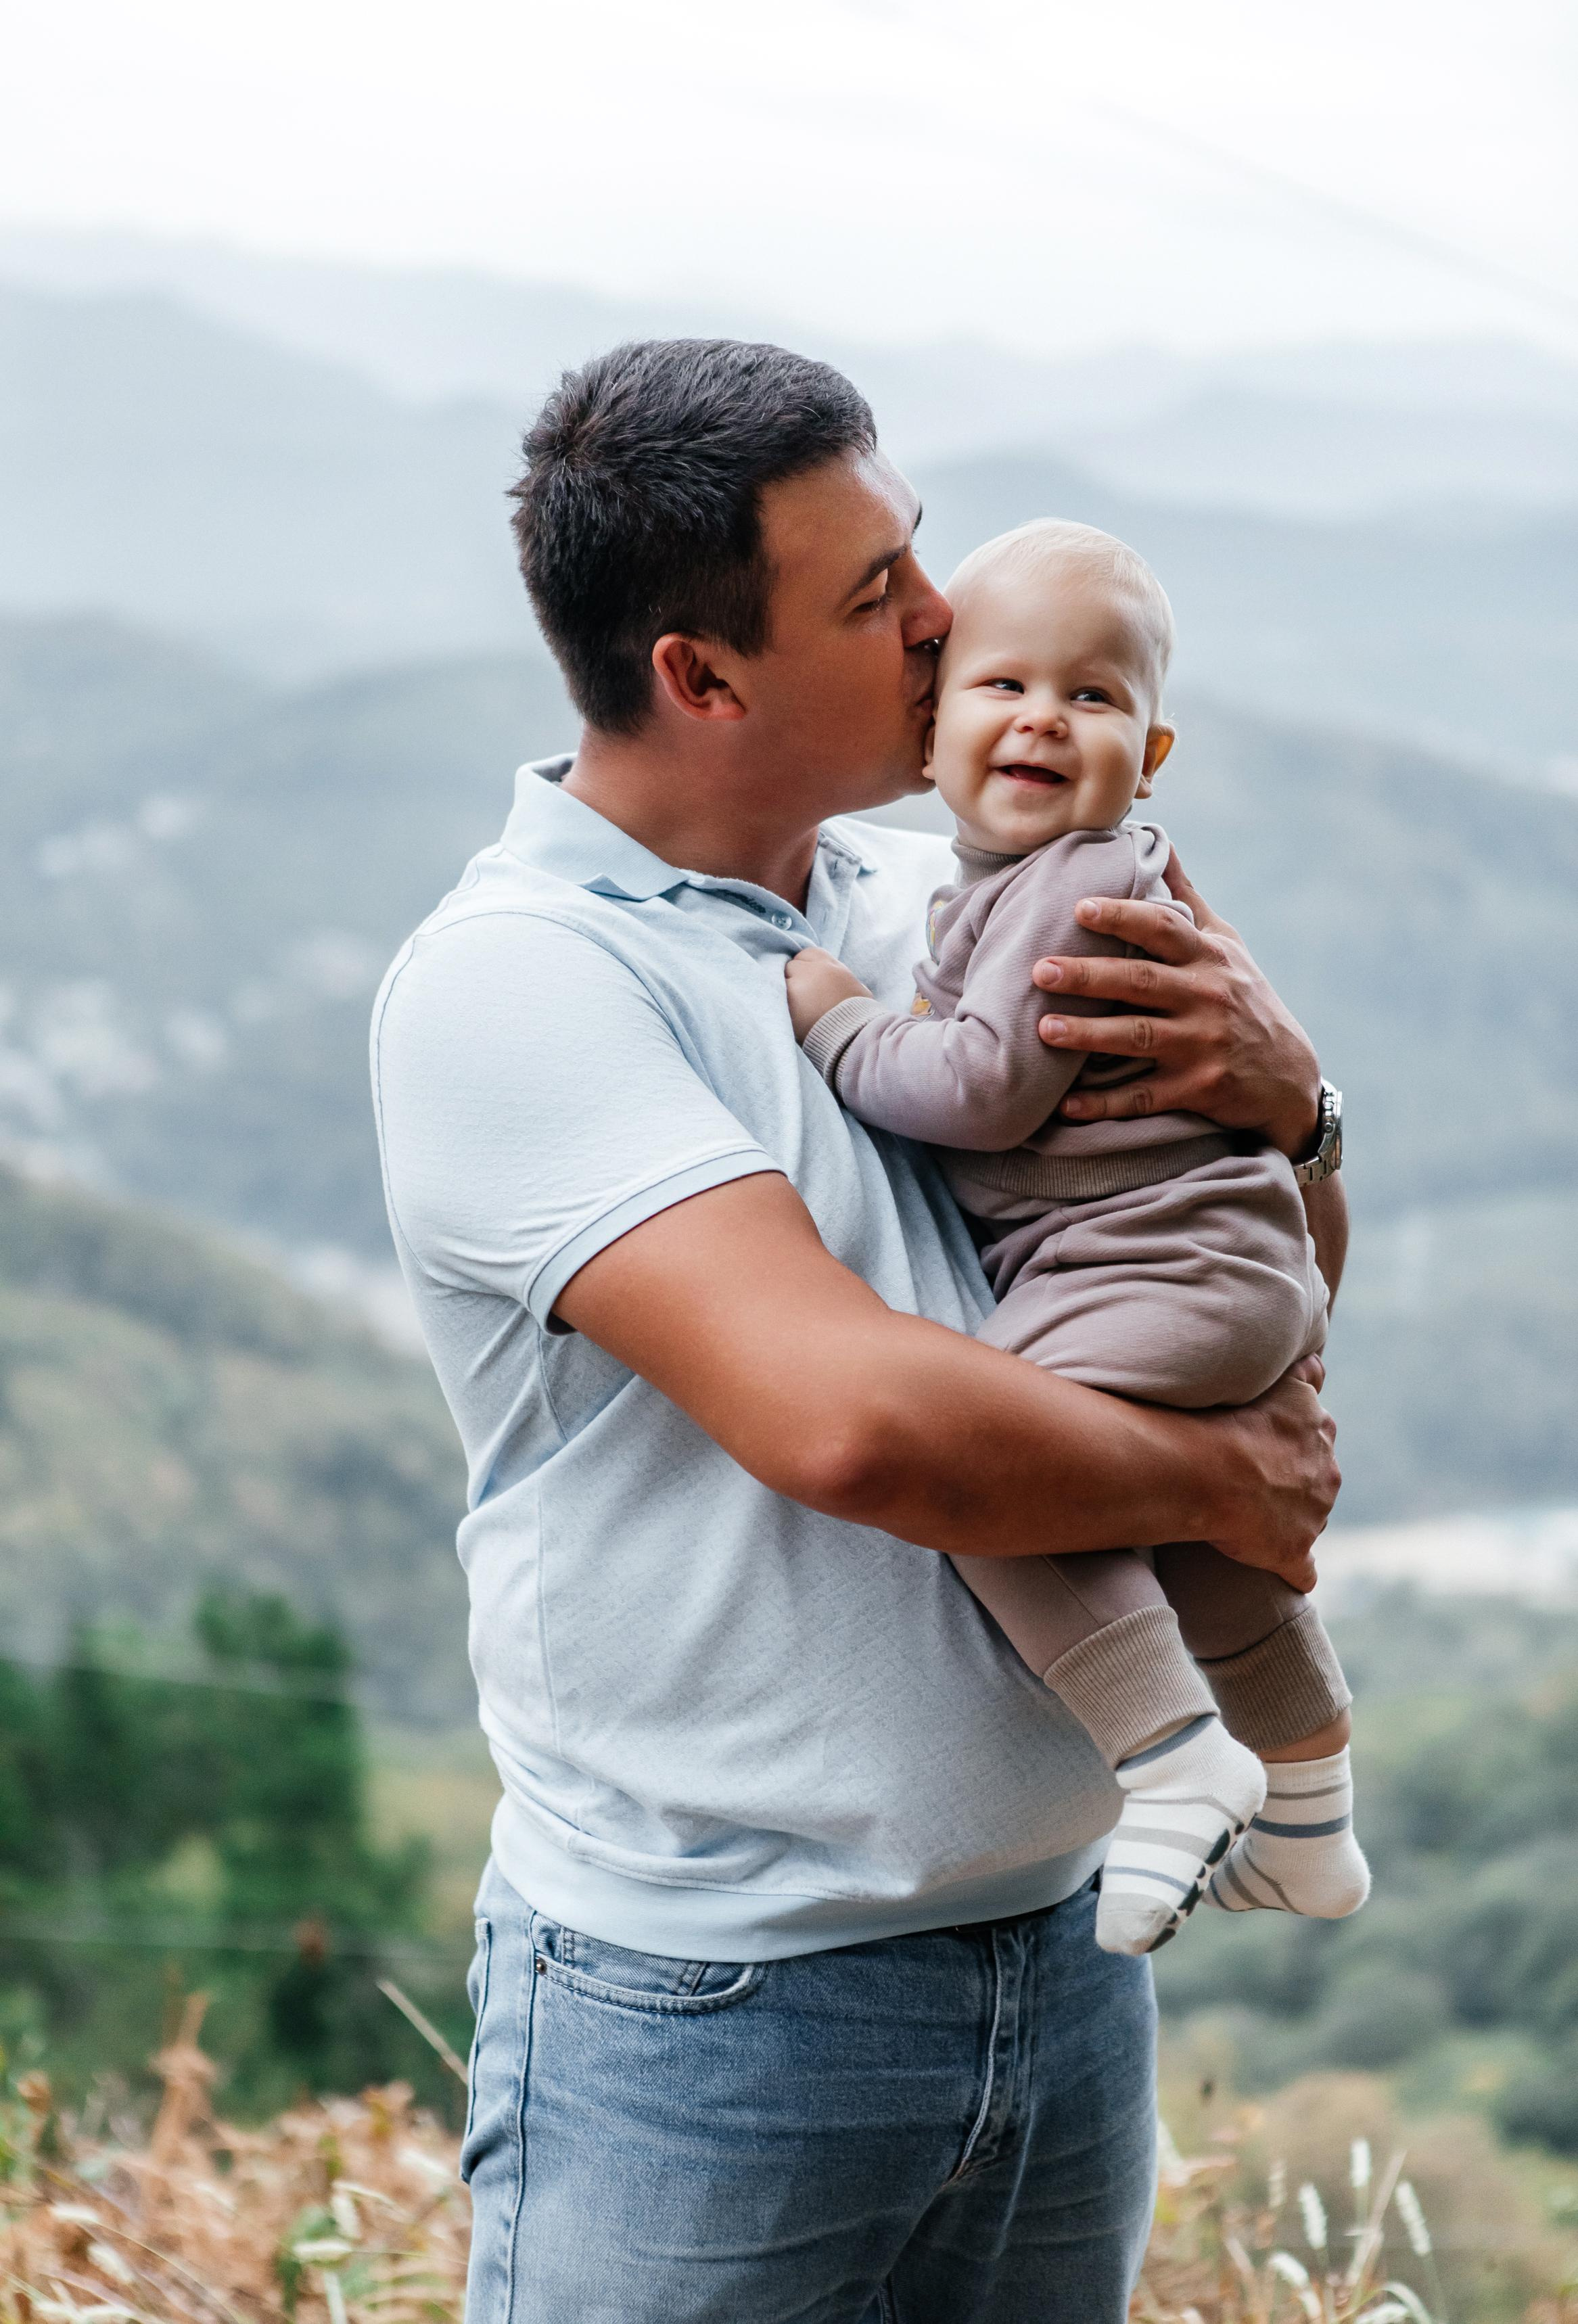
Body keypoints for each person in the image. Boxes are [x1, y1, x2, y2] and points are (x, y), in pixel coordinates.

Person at [370, 338, 1343, 2323]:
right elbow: (854, 1430)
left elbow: (1270, 1250)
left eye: (916, 555)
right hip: (709, 2016)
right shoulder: (520, 984)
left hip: (1064, 1962)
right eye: (875, 594)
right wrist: (1217, 1478)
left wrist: (1291, 1096)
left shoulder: (960, 890)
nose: (945, 617)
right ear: (699, 677)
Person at [785, 517, 1366, 1962]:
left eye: (1096, 697)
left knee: (991, 1476)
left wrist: (844, 1025)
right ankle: (1311, 1812)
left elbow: (980, 1089)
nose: (1046, 715)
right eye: (1004, 685)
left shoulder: (1064, 889)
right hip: (1227, 1279)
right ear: (931, 726)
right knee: (1204, 1546)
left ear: (1150, 755)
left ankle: (1174, 1754)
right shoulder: (1051, 875)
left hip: (1145, 1276)